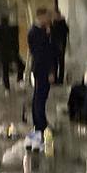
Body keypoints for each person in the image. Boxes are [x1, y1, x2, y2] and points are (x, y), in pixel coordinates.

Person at [27, 8, 55, 145]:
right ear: (41, 17)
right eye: (47, 17)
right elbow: (43, 54)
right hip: (41, 68)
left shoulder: (39, 31)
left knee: (39, 96)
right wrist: (50, 71)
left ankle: (39, 124)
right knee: (40, 96)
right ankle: (40, 125)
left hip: (40, 67)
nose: (49, 19)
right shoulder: (36, 33)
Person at [0, 16, 19, 91]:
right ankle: (13, 83)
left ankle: (6, 86)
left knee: (4, 69)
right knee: (9, 68)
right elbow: (14, 41)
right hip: (10, 52)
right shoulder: (11, 30)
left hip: (2, 52)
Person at [50, 8, 69, 86]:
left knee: (60, 62)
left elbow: (63, 33)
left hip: (60, 44)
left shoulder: (61, 22)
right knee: (54, 62)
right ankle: (55, 78)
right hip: (54, 44)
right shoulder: (54, 22)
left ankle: (60, 79)